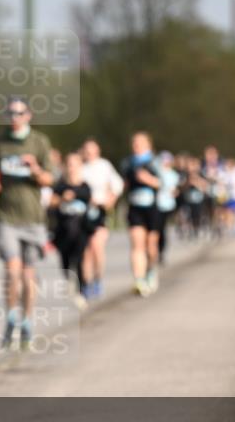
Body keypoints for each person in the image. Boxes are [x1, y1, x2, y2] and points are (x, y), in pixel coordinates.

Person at [0, 98, 55, 349]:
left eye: (19, 112)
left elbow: (49, 179)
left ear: (28, 115)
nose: (15, 117)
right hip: (6, 216)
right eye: (10, 113)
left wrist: (34, 168)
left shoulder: (39, 142)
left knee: (28, 275)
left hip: (33, 217)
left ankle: (26, 319)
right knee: (12, 270)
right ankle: (11, 315)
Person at [79, 138, 123, 300]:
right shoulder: (80, 168)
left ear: (98, 151)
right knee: (86, 251)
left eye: (92, 150)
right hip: (82, 212)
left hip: (100, 211)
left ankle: (98, 279)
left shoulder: (104, 165)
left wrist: (110, 200)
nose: (89, 154)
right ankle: (86, 282)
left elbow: (117, 184)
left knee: (97, 246)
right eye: (87, 150)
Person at [50, 152, 94, 309]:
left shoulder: (85, 186)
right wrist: (63, 198)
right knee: (66, 259)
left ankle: (83, 290)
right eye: (69, 164)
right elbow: (51, 202)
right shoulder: (60, 186)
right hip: (63, 230)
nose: (72, 168)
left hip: (81, 229)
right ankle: (69, 280)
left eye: (75, 164)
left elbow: (90, 202)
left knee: (80, 258)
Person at [120, 132, 161, 297]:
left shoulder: (155, 162)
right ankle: (139, 279)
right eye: (134, 143)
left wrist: (148, 180)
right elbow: (123, 184)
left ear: (148, 145)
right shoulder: (128, 163)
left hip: (152, 208)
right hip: (135, 207)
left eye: (139, 143)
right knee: (137, 245)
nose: (136, 146)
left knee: (151, 247)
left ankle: (151, 270)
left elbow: (164, 183)